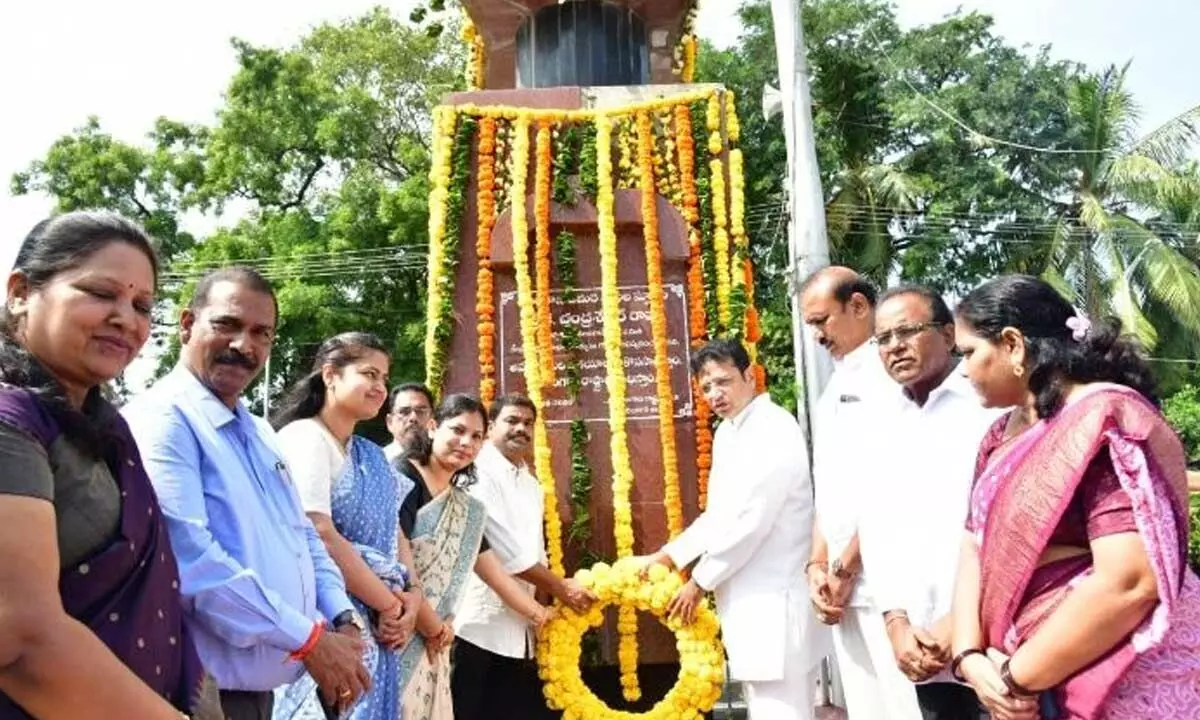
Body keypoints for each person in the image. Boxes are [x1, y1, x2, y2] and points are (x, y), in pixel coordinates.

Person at [123, 267, 370, 720]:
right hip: (197, 698)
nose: (245, 346)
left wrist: (342, 619)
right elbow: (191, 560)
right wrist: (310, 640)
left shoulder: (257, 430)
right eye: (227, 325)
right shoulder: (164, 420)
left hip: (260, 695)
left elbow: (303, 535)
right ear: (186, 325)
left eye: (261, 333)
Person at [0, 213, 219, 719]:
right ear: (20, 292)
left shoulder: (108, 430)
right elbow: (20, 641)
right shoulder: (10, 424)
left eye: (142, 305)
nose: (127, 318)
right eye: (101, 293)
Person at [950, 275, 1200, 719]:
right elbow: (974, 545)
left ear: (1012, 345)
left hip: (1117, 671)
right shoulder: (997, 436)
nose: (964, 370)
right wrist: (968, 657)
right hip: (1023, 670)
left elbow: (1129, 582)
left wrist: (1016, 678)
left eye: (969, 353)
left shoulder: (1102, 420)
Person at [638, 339, 821, 719]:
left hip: (774, 600)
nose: (715, 394)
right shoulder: (729, 432)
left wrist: (699, 581)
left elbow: (752, 521)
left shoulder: (772, 428)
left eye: (724, 382)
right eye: (706, 387)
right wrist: (670, 556)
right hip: (747, 601)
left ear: (749, 376)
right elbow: (720, 516)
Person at [858, 285, 1000, 719]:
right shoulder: (881, 421)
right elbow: (878, 531)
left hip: (993, 642)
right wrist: (895, 622)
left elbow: (1003, 531)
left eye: (908, 331)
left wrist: (956, 624)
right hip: (921, 650)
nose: (894, 347)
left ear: (946, 333)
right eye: (883, 339)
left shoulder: (990, 408)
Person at [270, 333, 428, 720]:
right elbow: (319, 533)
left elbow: (394, 530)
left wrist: (413, 598)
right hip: (331, 619)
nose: (380, 387)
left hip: (381, 622)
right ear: (330, 375)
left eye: (384, 378)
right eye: (369, 374)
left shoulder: (369, 454)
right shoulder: (305, 438)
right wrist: (390, 604)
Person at [799, 266, 919, 718]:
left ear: (858, 306)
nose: (817, 336)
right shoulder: (834, 385)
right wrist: (816, 565)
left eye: (821, 321)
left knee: (902, 707)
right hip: (840, 587)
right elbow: (831, 487)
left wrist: (845, 568)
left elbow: (891, 486)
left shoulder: (890, 377)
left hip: (886, 586)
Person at [393, 393, 550, 720]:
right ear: (433, 427)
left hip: (437, 635)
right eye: (458, 430)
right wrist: (432, 625)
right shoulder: (402, 477)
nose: (466, 442)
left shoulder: (463, 504)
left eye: (475, 436)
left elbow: (489, 566)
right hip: (397, 625)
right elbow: (396, 560)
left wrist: (541, 615)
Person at [451, 394, 596, 720]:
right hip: (476, 624)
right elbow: (502, 547)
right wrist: (562, 589)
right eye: (512, 421)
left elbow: (534, 553)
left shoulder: (530, 484)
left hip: (519, 626)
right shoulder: (475, 473)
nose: (521, 429)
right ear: (489, 429)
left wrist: (546, 605)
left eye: (528, 423)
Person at [383, 383, 434, 465]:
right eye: (404, 412)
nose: (413, 418)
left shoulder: (443, 463)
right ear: (390, 422)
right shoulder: (376, 462)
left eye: (421, 411)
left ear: (433, 420)